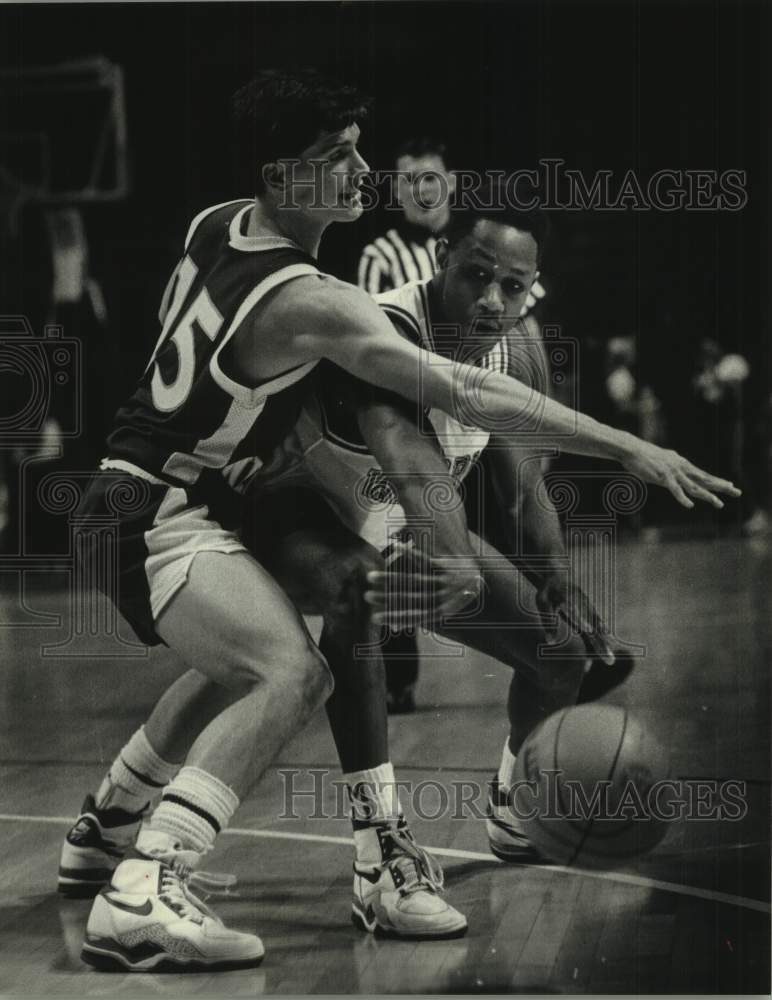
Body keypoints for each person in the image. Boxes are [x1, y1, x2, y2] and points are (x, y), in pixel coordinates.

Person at [60, 71, 740, 972]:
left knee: (265, 656)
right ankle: (157, 884)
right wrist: (629, 447)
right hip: (159, 503)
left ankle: (108, 823)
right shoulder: (320, 302)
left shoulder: (216, 222)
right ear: (281, 176)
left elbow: (506, 454)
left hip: (151, 484)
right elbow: (461, 399)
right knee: (291, 669)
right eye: (333, 157)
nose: (360, 171)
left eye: (356, 149)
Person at [356, 137, 547, 711]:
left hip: (479, 398)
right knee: (406, 530)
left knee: (517, 507)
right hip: (413, 402)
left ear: (451, 182)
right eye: (409, 179)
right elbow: (373, 348)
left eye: (430, 177)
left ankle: (547, 623)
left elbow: (525, 326)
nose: (421, 189)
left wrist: (531, 412)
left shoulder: (495, 243)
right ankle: (394, 674)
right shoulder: (382, 256)